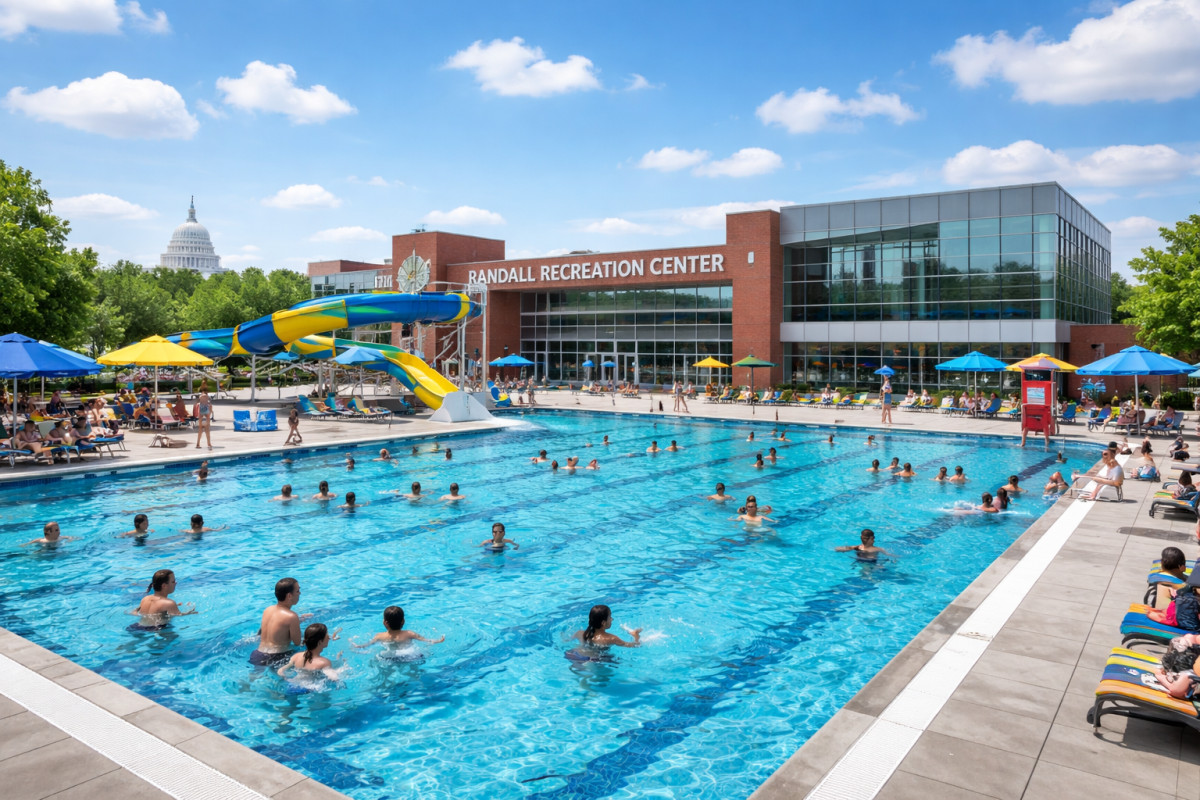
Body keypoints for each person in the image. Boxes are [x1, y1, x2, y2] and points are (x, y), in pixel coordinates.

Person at [251, 577, 308, 667]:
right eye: (297, 591)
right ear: (289, 596)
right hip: (277, 657)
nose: (299, 593)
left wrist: (298, 620)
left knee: (253, 678)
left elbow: (276, 626)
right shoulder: (292, 616)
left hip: (258, 654)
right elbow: (297, 643)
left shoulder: (267, 610)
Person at [131, 569, 197, 630]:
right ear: (164, 586)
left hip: (137, 626)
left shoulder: (145, 599)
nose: (176, 583)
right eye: (173, 581)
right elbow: (179, 615)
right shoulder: (169, 603)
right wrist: (190, 611)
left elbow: (135, 612)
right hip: (155, 629)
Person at [354, 606, 444, 651]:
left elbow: (367, 645)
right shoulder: (409, 634)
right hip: (407, 656)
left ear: (384, 623)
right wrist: (438, 640)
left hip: (389, 658)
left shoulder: (379, 636)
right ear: (403, 621)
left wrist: (358, 646)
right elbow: (426, 640)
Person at [277, 623, 341, 681]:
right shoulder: (324, 662)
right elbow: (334, 678)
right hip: (310, 690)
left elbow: (280, 671)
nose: (329, 638)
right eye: (327, 636)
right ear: (320, 642)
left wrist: (285, 678)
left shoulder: (296, 656)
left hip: (293, 684)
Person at [572, 604, 640, 649]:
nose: (612, 619)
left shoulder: (579, 633)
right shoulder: (611, 639)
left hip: (577, 656)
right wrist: (636, 636)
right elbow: (635, 645)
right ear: (603, 623)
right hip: (595, 661)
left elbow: (566, 640)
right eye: (610, 617)